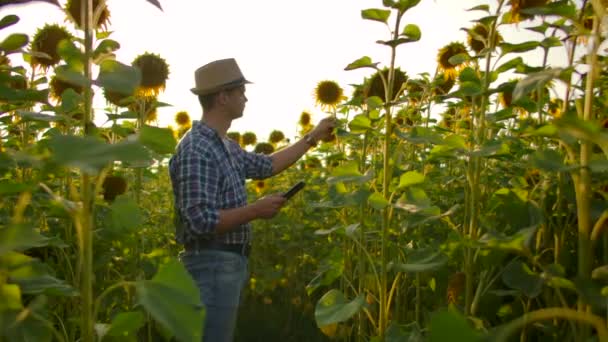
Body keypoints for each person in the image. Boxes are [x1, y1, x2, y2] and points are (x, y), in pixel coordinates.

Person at [168, 58, 336, 342]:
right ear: (222, 97)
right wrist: (255, 211)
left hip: (224, 263)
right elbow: (199, 221)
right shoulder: (196, 147)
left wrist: (312, 137)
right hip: (209, 263)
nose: (245, 97)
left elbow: (266, 165)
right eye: (240, 91)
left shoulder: (224, 145)